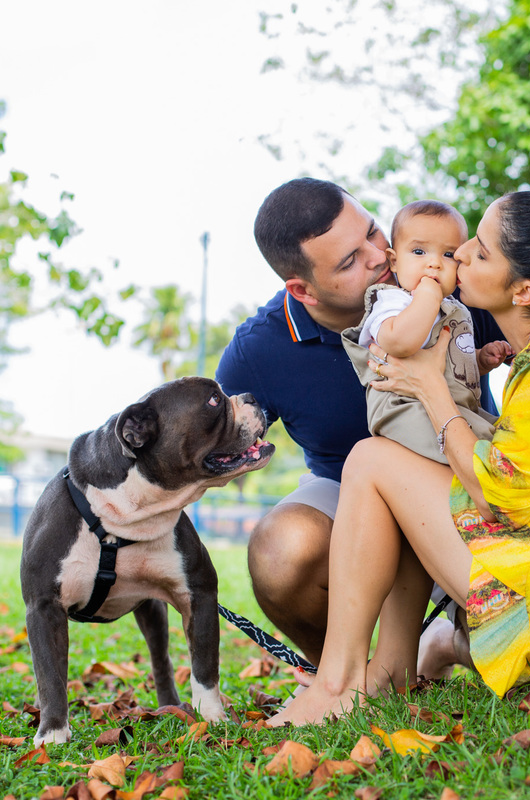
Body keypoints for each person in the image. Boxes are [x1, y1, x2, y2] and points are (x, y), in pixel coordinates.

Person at [268, 190, 530, 727]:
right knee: (396, 472)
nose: (457, 257)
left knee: (370, 458)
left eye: (478, 252)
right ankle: (389, 671)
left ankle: (339, 684)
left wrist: (432, 391)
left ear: (525, 291)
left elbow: (498, 498)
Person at [215, 178, 503, 666]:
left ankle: (444, 638)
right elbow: (207, 450)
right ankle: (336, 669)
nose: (377, 256)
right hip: (347, 491)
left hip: (460, 477)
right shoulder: (259, 350)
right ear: (301, 289)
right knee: (280, 549)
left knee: (503, 646)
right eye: (349, 261)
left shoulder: (447, 279)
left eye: (372, 231)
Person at [340, 200, 510, 464]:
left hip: (456, 410)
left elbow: (454, 365)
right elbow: (399, 343)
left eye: (448, 255)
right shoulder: (391, 301)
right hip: (407, 410)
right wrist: (428, 296)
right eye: (419, 251)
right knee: (490, 454)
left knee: (505, 434)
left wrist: (479, 360)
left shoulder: (453, 308)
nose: (434, 264)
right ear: (394, 262)